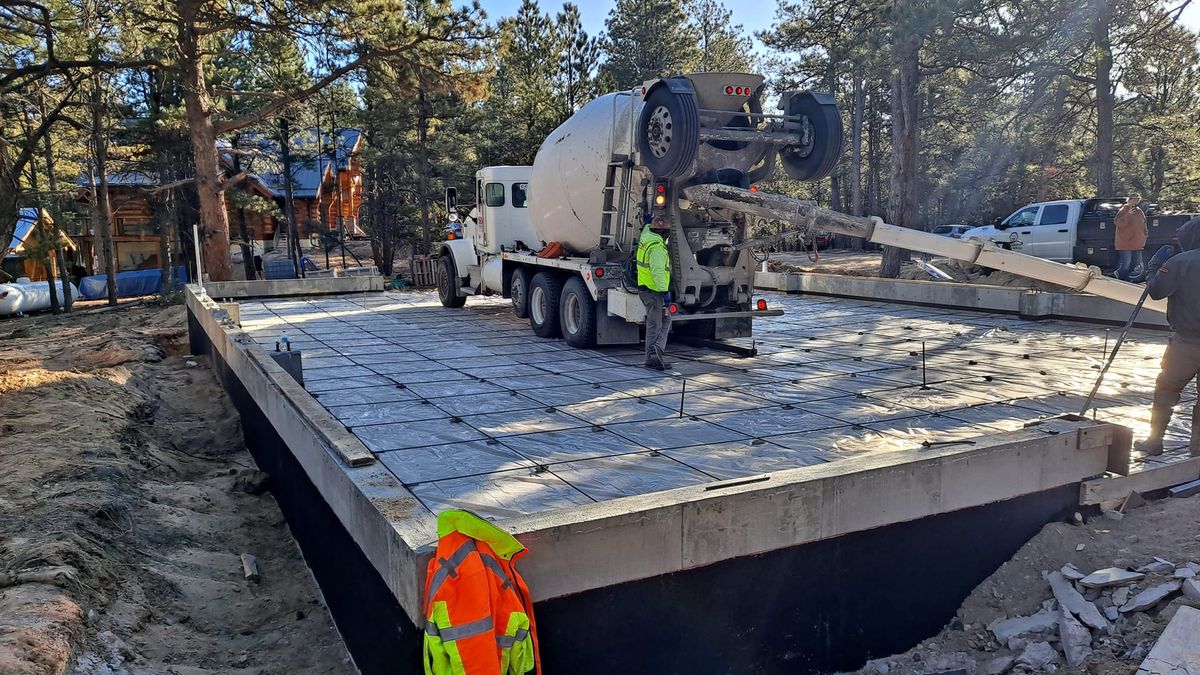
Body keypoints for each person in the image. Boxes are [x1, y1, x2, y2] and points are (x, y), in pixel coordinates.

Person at [1136, 216, 1200, 457]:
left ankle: (1154, 441)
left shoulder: (1179, 262)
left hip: (1186, 342)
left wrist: (1154, 267)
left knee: (1167, 389)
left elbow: (1156, 291)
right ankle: (1197, 451)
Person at [637, 215, 673, 371]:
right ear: (664, 233)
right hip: (654, 291)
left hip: (644, 288)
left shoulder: (646, 236)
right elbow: (658, 272)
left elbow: (646, 227)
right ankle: (652, 356)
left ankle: (654, 354)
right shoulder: (657, 248)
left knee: (660, 322)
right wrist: (665, 293)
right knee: (656, 324)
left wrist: (649, 221)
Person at [1114, 194, 1148, 281]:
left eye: (1138, 200)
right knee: (1126, 263)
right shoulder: (1124, 209)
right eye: (1135, 199)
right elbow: (1118, 222)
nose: (1137, 201)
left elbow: (1143, 224)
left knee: (1137, 263)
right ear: (1130, 199)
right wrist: (1128, 215)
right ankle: (1123, 279)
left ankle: (1120, 274)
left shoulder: (1139, 211)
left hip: (1137, 242)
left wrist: (1145, 234)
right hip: (1125, 242)